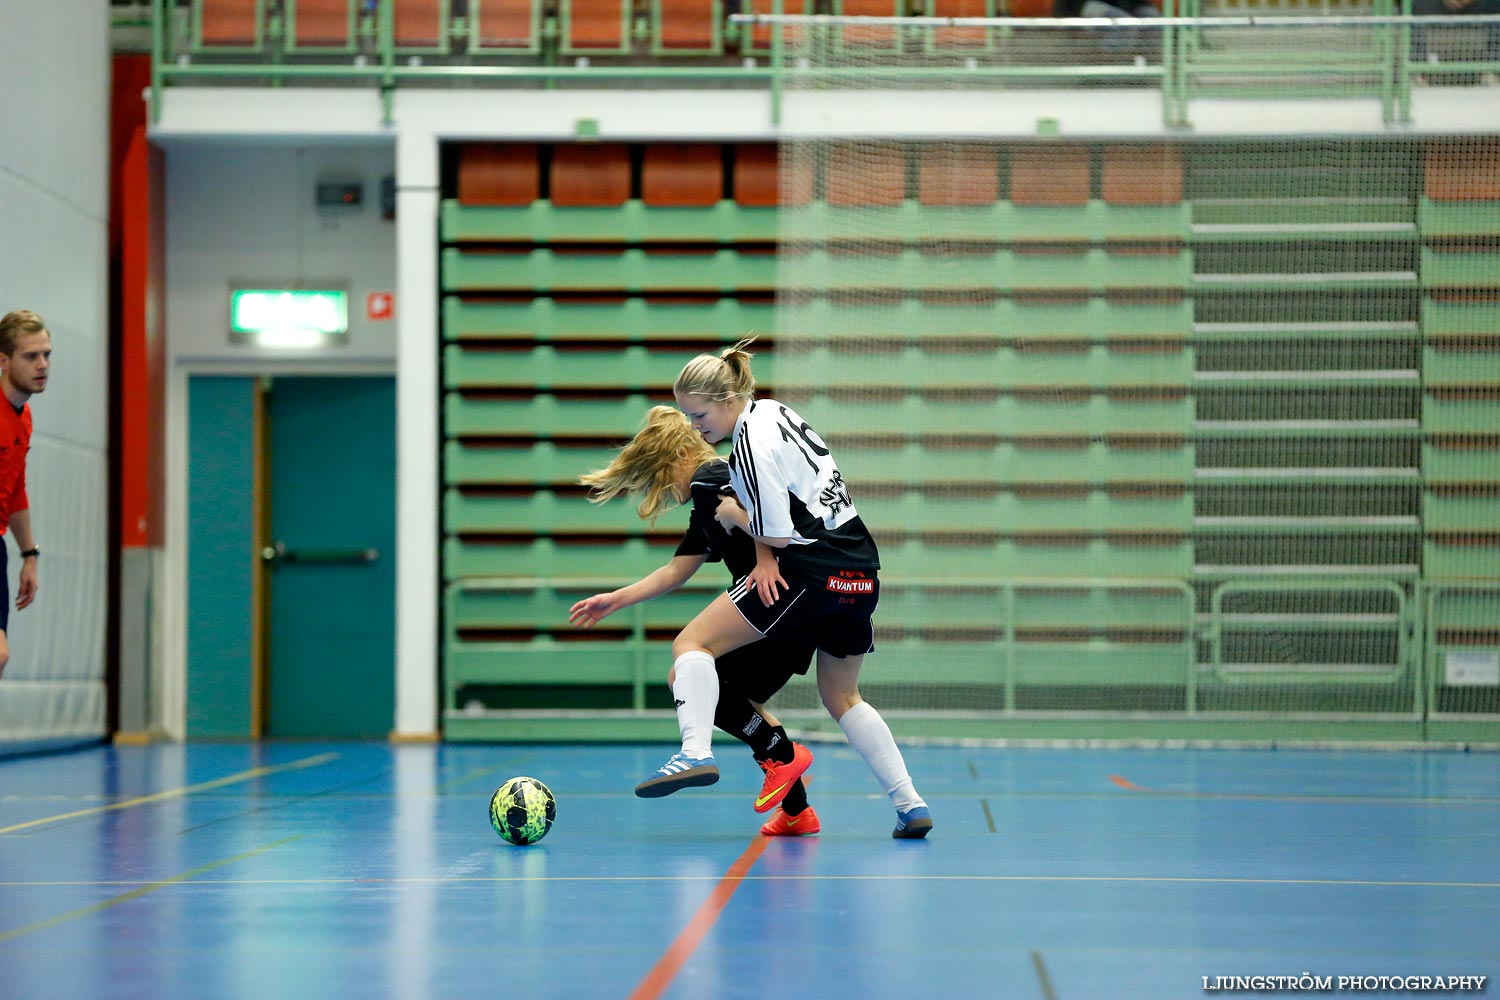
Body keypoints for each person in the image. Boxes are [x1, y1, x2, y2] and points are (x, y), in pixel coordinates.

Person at [643, 339, 932, 839]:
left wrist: (735, 516)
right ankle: (911, 804)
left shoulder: (747, 441)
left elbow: (775, 535)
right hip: (859, 569)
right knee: (843, 694)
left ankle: (694, 753)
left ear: (728, 401)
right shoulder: (776, 412)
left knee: (692, 646)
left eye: (698, 414)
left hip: (808, 571)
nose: (695, 427)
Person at [569, 406, 821, 836]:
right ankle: (798, 811)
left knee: (689, 653)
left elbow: (764, 508)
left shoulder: (711, 477)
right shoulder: (703, 502)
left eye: (656, 479)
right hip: (793, 609)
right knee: (728, 696)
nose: (660, 492)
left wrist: (763, 557)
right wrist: (616, 600)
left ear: (673, 460)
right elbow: (675, 571)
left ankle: (696, 751)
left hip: (780, 592)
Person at [0, 310, 51, 681]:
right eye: (31, 356)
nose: (43, 364)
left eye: (47, 355)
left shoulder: (24, 418)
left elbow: (15, 489)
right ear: (4, 361)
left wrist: (29, 556)